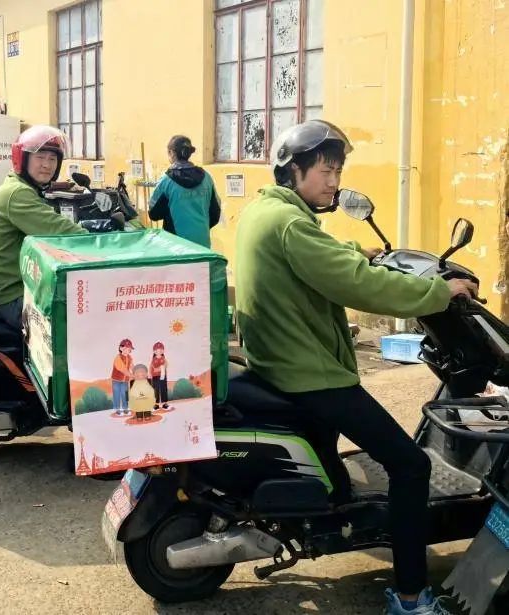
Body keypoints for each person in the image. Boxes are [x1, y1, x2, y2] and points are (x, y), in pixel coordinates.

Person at [234, 119, 479, 615]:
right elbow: (359, 285)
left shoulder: (266, 211)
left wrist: (355, 250)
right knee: (411, 466)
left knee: (350, 462)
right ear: (294, 171)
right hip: (308, 373)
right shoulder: (291, 224)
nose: (333, 182)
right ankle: (411, 598)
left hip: (278, 361)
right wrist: (438, 291)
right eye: (325, 171)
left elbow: (319, 257)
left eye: (338, 172)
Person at [0, 125, 87, 331]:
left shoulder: (23, 188)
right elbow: (62, 232)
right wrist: (99, 240)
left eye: (52, 159)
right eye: (40, 157)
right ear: (23, 159)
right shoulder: (17, 193)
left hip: (20, 287)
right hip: (14, 297)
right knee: (82, 319)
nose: (47, 165)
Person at [148, 135, 221, 248]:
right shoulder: (207, 178)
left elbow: (154, 213)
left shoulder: (166, 181)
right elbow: (215, 213)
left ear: (171, 153)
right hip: (202, 245)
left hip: (176, 247)